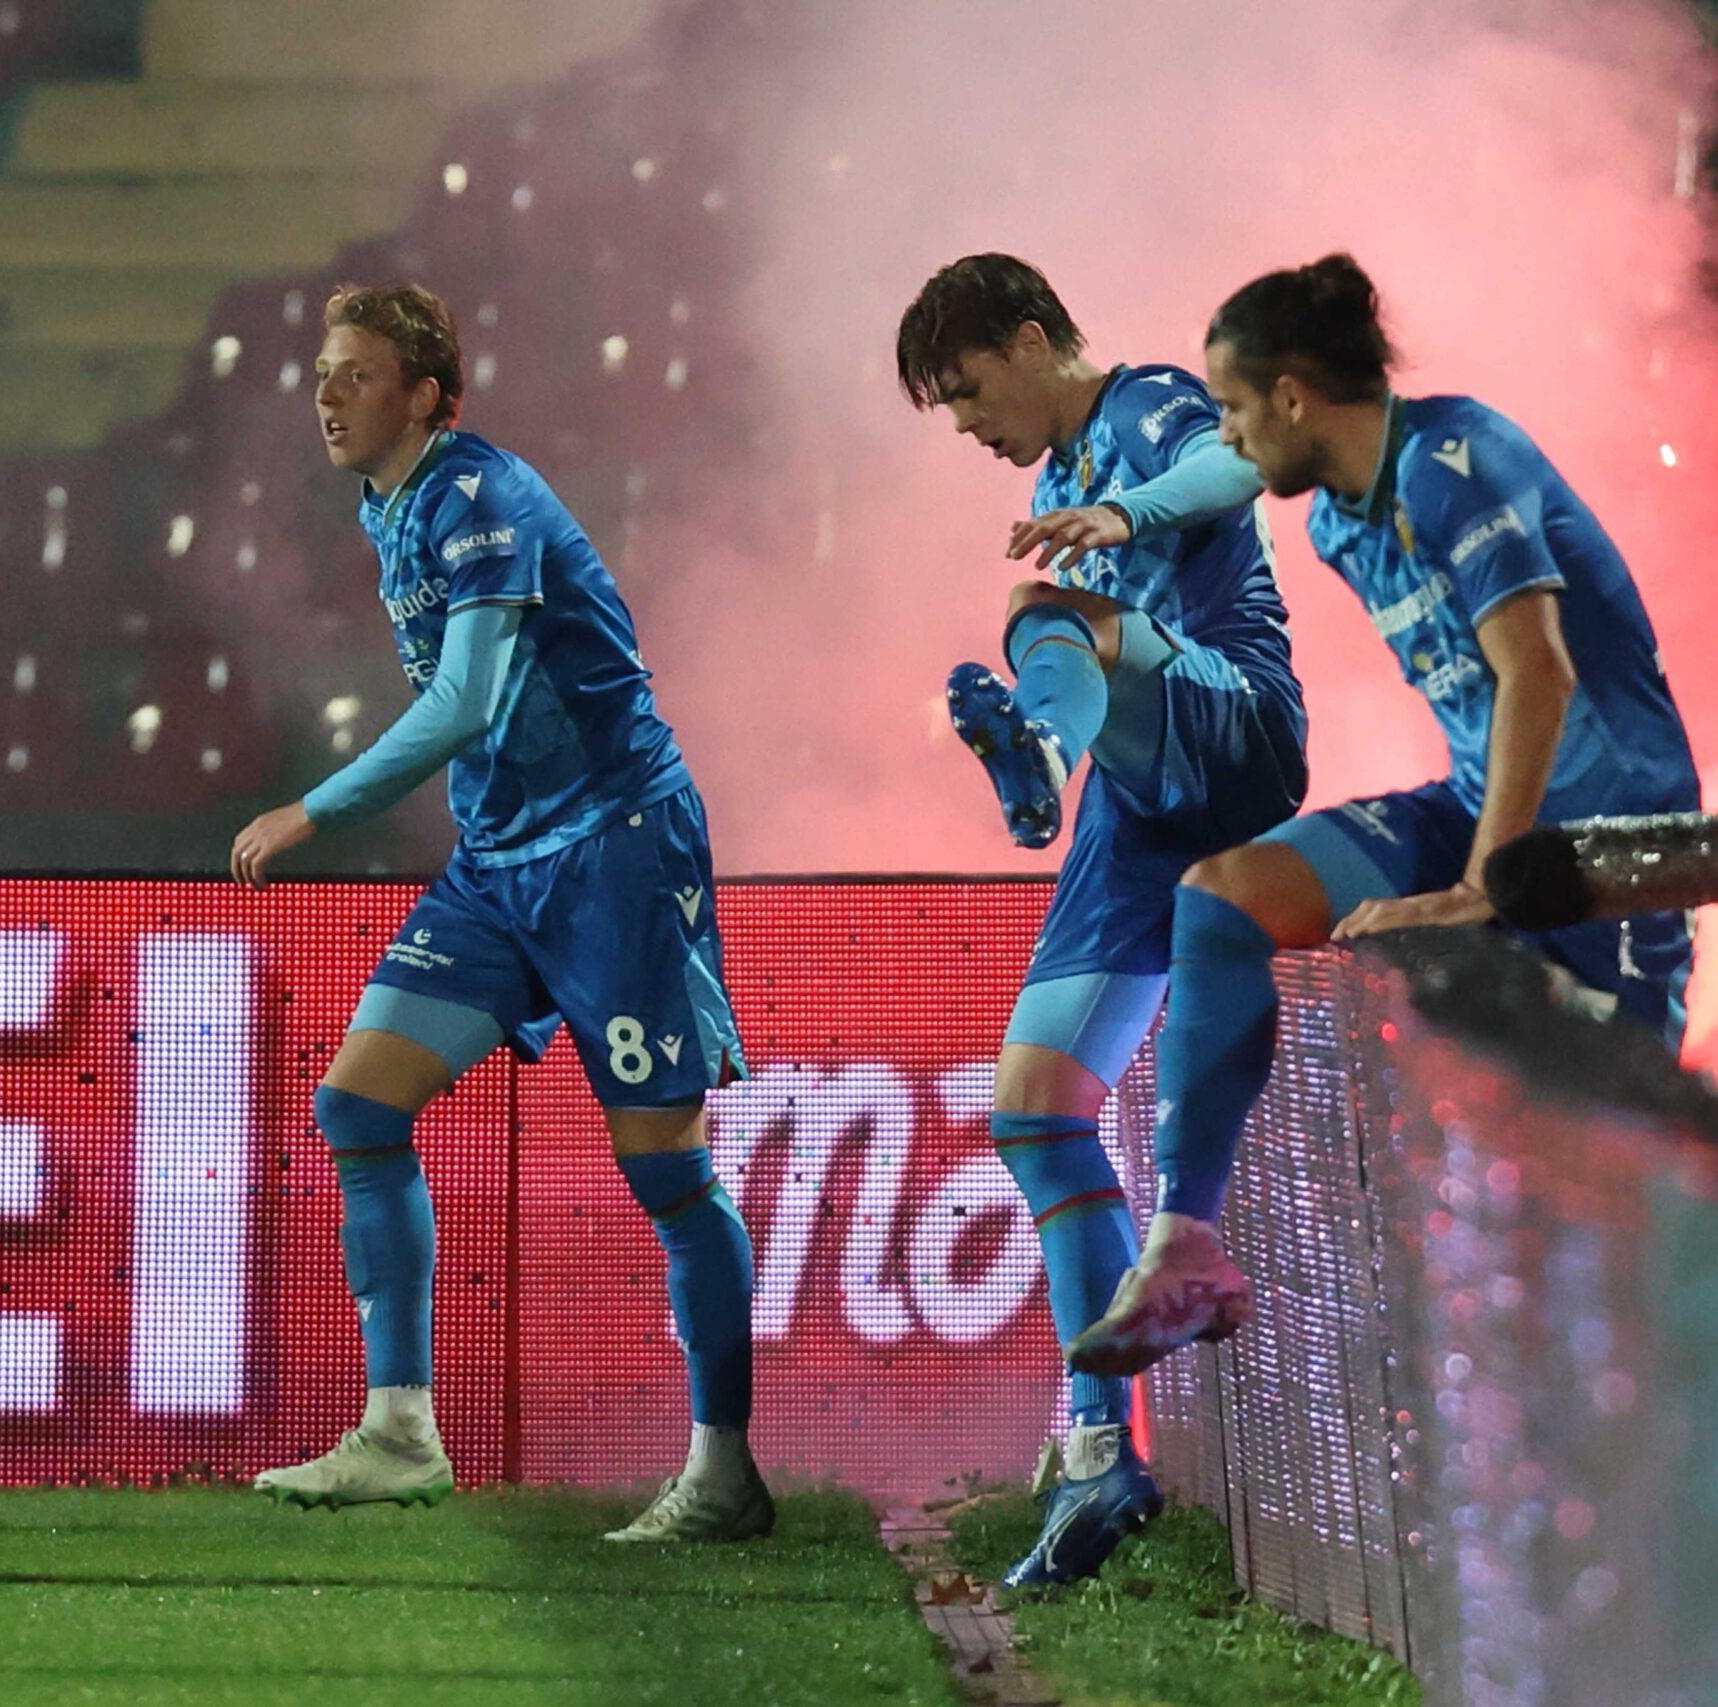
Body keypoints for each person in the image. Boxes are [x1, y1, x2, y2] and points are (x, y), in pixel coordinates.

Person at [1070, 254, 1701, 1378]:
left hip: (1611, 841)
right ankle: (1186, 1251)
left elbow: (1536, 674)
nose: (1224, 439)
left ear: (1293, 397)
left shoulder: (1458, 459)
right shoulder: (1335, 528)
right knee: (1217, 899)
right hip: (1485, 813)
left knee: (1609, 1188)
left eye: (1230, 408)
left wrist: (1480, 883)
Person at [230, 283, 769, 1542]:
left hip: (616, 847)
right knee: (358, 1101)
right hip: (503, 856)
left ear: (425, 394)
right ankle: (402, 1434)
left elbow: (469, 699)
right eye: (321, 371)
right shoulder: (393, 503)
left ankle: (726, 1471)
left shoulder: (482, 499)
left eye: (355, 374)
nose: (325, 392)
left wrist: (313, 811)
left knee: (663, 1169)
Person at [896, 254, 1308, 1586]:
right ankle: (1097, 1455)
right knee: (1034, 1104)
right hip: (1142, 798)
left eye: (966, 391)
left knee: (1039, 609)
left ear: (1030, 340)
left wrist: (1125, 516)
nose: (967, 424)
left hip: (1233, 729)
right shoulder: (1052, 488)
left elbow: (1236, 474)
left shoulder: (1146, 407)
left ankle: (1029, 745)